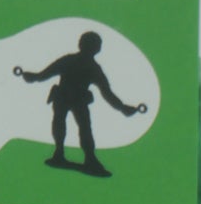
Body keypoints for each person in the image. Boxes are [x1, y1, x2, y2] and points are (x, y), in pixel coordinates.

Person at [14, 31, 146, 172]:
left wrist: (122, 107)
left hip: (70, 98)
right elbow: (107, 93)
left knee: (73, 125)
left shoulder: (77, 62)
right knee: (76, 126)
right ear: (97, 48)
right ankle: (76, 155)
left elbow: (44, 75)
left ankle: (75, 155)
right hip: (72, 98)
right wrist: (122, 107)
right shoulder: (91, 67)